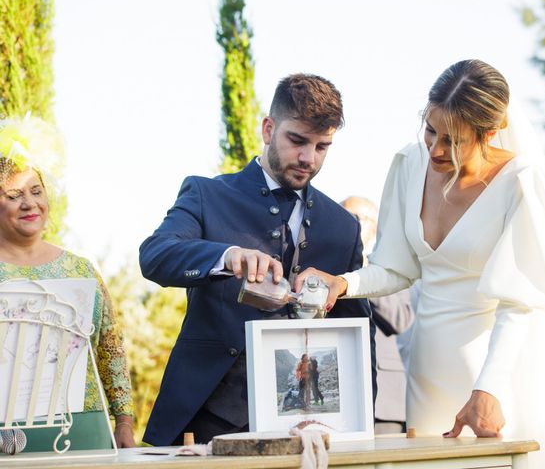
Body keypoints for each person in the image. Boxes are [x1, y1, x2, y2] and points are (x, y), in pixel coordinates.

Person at [296, 59, 545, 468]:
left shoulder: (523, 181)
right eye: (431, 130)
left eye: (456, 140)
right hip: (428, 367)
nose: (437, 149)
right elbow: (396, 267)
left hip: (496, 372)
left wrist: (491, 387)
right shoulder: (409, 164)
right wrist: (343, 283)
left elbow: (521, 303)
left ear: (491, 132)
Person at [139, 73, 374, 446]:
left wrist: (364, 424)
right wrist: (227, 255)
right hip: (206, 418)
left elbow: (361, 333)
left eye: (321, 147)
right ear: (268, 129)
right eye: (296, 140)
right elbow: (155, 255)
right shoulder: (206, 194)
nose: (307, 158)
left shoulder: (343, 227)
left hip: (309, 427)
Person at [0, 117, 135, 449]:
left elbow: (110, 347)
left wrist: (124, 423)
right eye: (14, 195)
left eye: (36, 191)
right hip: (7, 432)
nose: (30, 203)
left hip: (84, 424)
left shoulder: (80, 269)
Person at [341, 196, 414, 434]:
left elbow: (400, 319)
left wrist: (361, 276)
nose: (349, 223)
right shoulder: (326, 269)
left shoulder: (390, 268)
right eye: (343, 217)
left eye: (357, 218)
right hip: (339, 396)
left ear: (374, 226)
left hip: (385, 401)